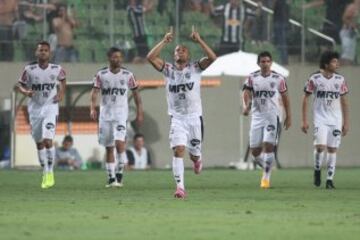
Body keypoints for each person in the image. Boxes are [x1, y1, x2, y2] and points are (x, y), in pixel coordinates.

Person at [147, 27, 217, 198]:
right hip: (177, 118)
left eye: (184, 50)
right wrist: (164, 41)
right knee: (178, 149)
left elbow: (213, 58)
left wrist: (199, 40)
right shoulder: (168, 70)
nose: (180, 52)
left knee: (193, 155)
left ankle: (197, 159)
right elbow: (150, 57)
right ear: (174, 55)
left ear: (189, 56)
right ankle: (180, 188)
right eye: (177, 50)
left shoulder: (195, 68)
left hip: (194, 118)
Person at [15, 40, 66, 189]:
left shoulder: (57, 69)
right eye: (40, 50)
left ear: (49, 53)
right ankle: (44, 168)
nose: (43, 52)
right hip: (35, 109)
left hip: (51, 107)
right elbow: (20, 85)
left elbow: (63, 81)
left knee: (47, 139)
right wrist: (25, 92)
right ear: (36, 53)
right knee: (38, 142)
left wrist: (61, 94)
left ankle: (49, 173)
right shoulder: (29, 69)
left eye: (45, 50)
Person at [90, 47, 143, 188]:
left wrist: (139, 112)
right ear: (109, 58)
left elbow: (136, 94)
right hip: (105, 116)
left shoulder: (128, 75)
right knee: (109, 147)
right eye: (114, 57)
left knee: (120, 144)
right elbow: (94, 92)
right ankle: (111, 178)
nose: (117, 59)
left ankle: (119, 173)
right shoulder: (101, 74)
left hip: (121, 115)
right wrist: (92, 107)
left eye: (119, 57)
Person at [242, 51, 291, 189]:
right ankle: (266, 167)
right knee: (255, 153)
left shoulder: (278, 78)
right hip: (257, 116)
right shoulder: (252, 77)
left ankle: (266, 179)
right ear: (258, 63)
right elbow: (246, 92)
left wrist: (288, 116)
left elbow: (286, 97)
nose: (265, 64)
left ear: (271, 63)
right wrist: (246, 106)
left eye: (268, 61)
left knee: (269, 145)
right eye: (262, 61)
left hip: (272, 116)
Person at [301, 51, 349, 189]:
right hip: (320, 118)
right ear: (326, 64)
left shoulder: (340, 79)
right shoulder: (314, 78)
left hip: (336, 119)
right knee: (320, 147)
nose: (337, 64)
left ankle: (329, 180)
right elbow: (305, 98)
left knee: (333, 148)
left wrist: (346, 122)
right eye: (334, 61)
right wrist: (304, 120)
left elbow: (344, 101)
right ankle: (317, 170)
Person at [340, 0, 359, 65]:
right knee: (346, 56)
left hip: (353, 33)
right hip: (347, 32)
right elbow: (344, 18)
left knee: (350, 57)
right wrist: (352, 25)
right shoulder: (352, 7)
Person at [272, 0, 289, 65]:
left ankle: (283, 60)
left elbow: (273, 6)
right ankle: (284, 59)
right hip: (283, 20)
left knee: (280, 41)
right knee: (281, 41)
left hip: (279, 20)